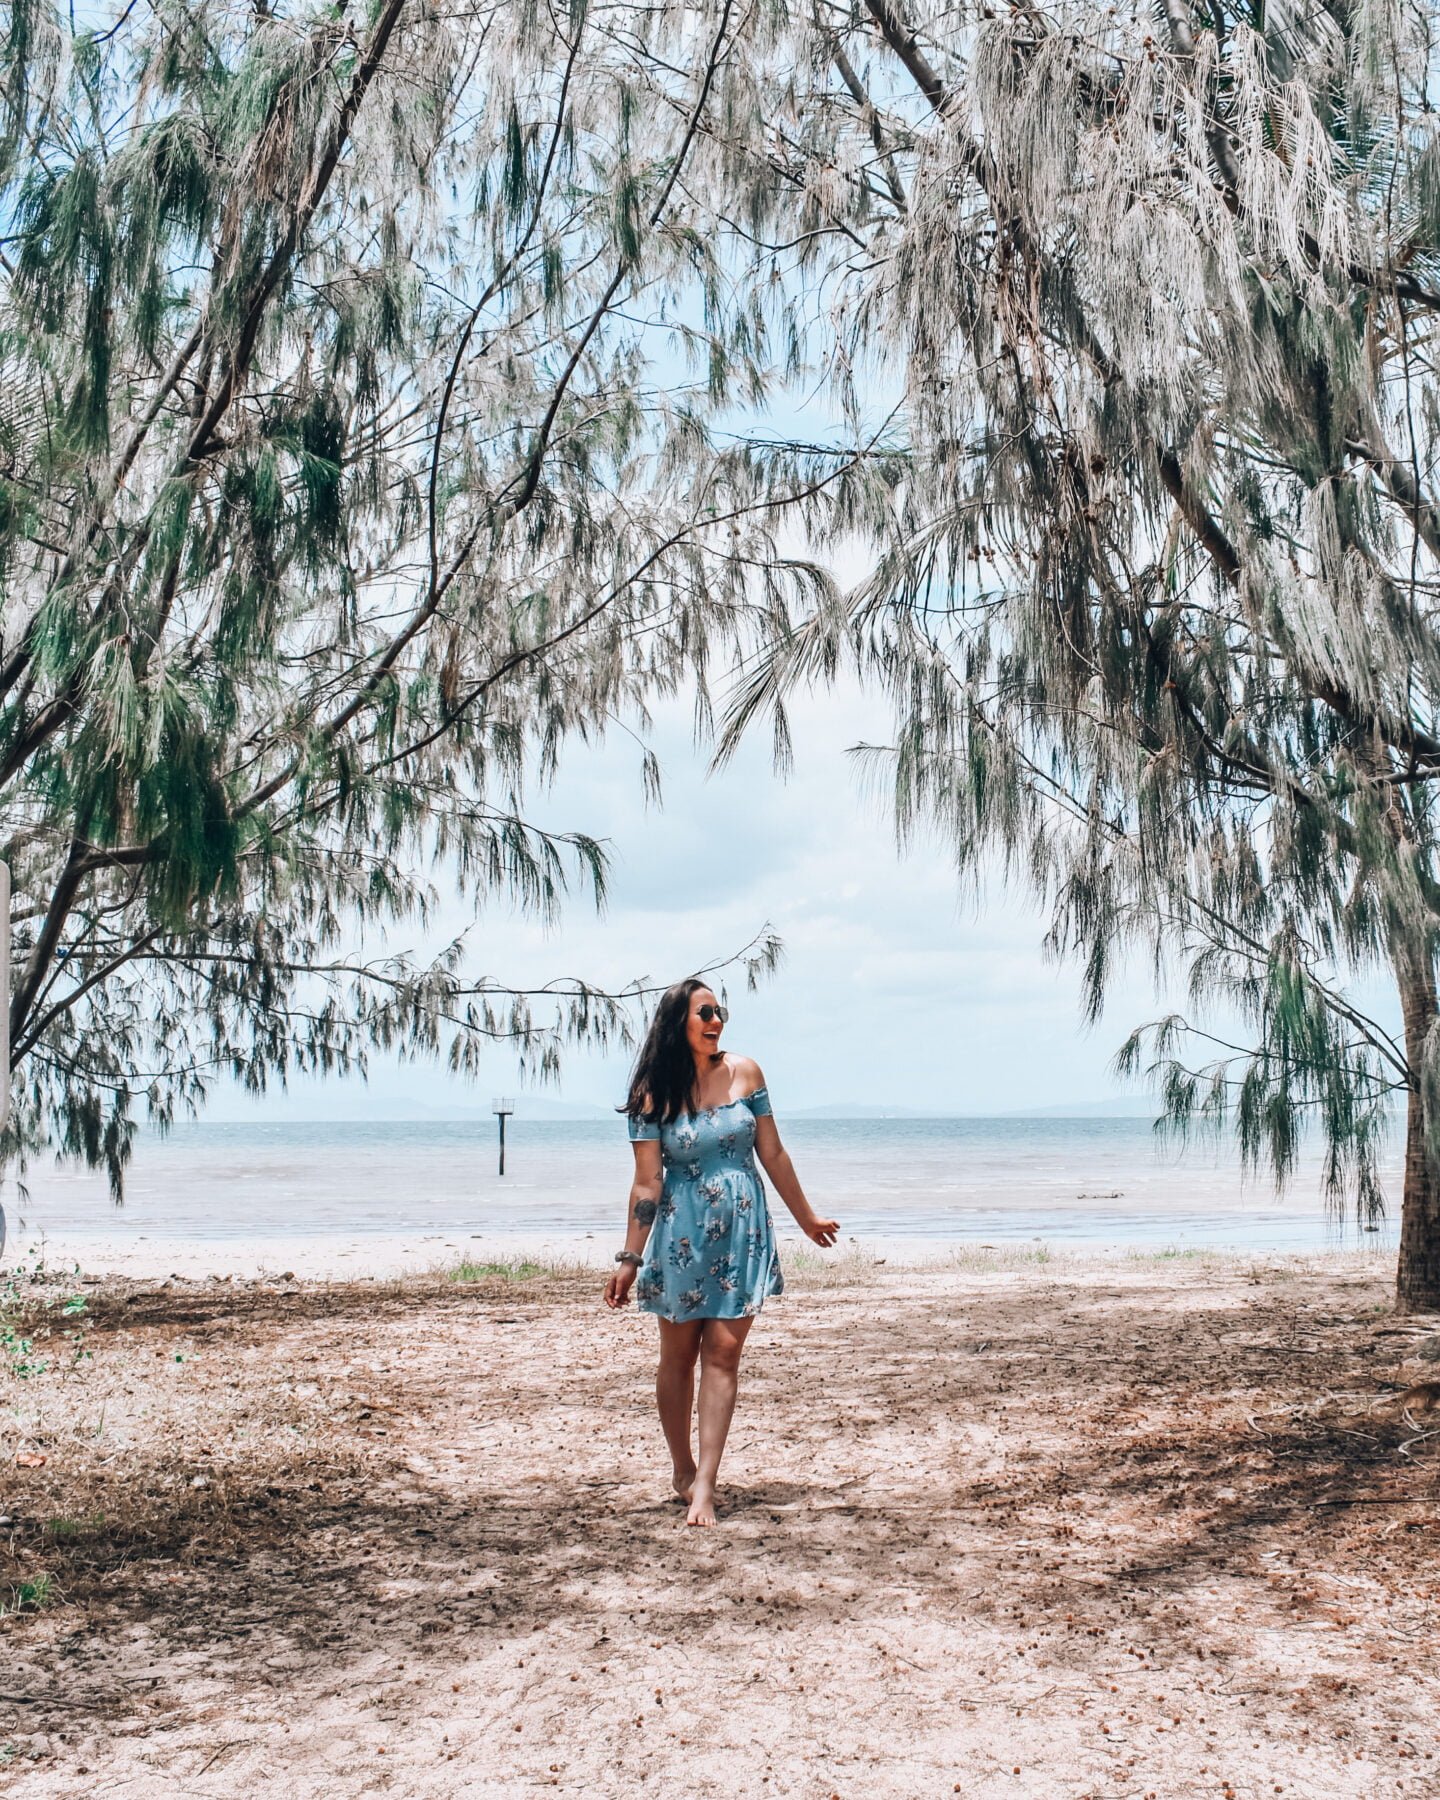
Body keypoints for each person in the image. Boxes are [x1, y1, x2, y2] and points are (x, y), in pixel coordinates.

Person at [604, 977, 839, 1526]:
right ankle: (682, 1468)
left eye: (720, 1011)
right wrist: (629, 1258)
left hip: (742, 1231)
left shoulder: (747, 1073)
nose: (716, 1021)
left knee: (725, 1352)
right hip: (682, 1233)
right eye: (705, 1012)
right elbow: (646, 1185)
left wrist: (806, 1218)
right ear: (677, 1022)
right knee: (679, 1357)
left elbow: (773, 1152)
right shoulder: (652, 1095)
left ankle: (706, 1482)